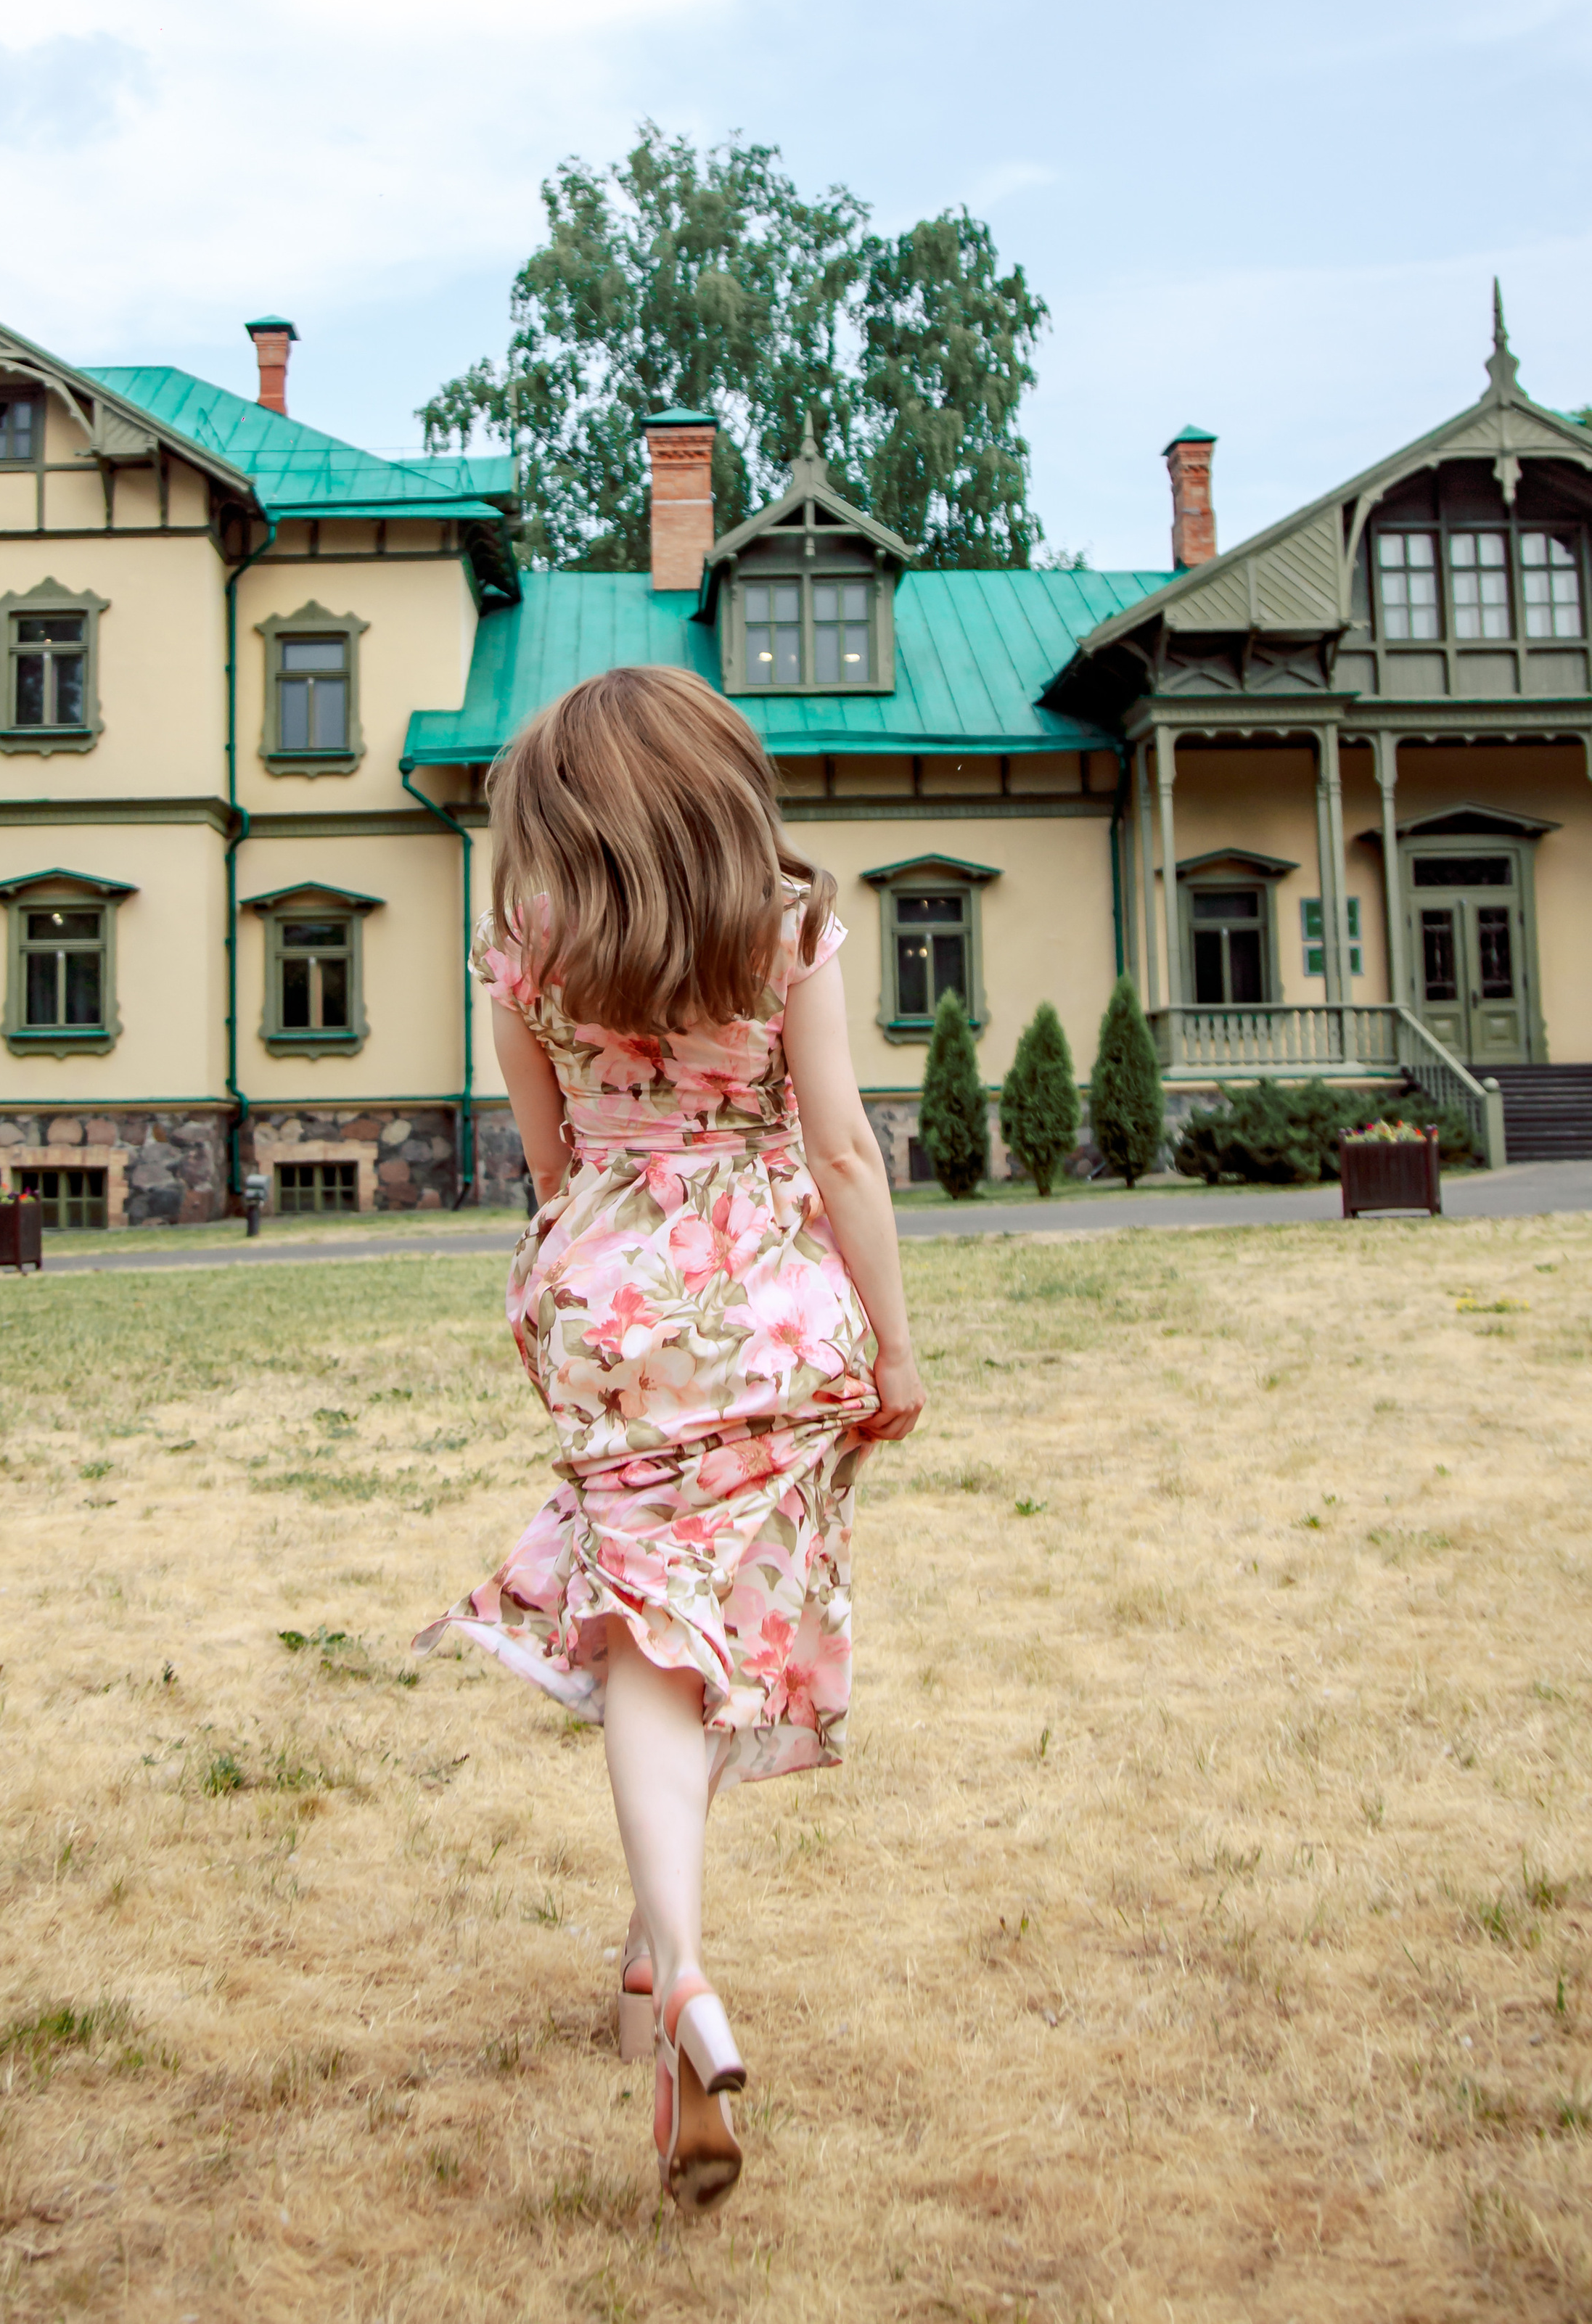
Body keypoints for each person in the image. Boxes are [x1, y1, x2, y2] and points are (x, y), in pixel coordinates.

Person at [416, 665, 927, 2212]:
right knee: (705, 1633)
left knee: (653, 1634)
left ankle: (669, 1967)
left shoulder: (528, 947)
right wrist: (893, 1345)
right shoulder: (783, 920)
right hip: (770, 1309)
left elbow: (547, 1152)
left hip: (609, 1300)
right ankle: (669, 1959)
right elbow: (837, 1142)